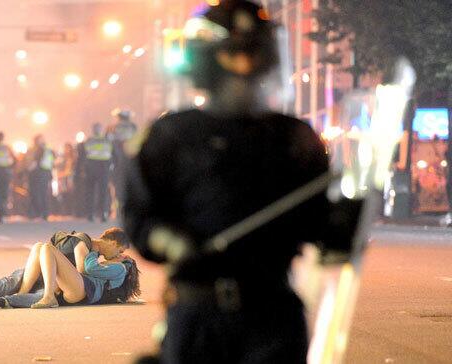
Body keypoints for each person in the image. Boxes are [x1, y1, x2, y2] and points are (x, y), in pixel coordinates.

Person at [123, 2, 332, 362]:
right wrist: (174, 242)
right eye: (232, 55)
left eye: (251, 53)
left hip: (273, 316)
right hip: (198, 315)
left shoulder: (293, 138)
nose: (243, 70)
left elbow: (318, 223)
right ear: (207, 61)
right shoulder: (171, 136)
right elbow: (141, 219)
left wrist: (344, 221)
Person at [0, 227, 131, 310]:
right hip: (49, 275)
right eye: (119, 250)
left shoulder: (94, 251)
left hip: (50, 276)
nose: (117, 255)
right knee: (10, 281)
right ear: (113, 242)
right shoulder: (85, 243)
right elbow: (82, 270)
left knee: (8, 284)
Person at [108, 109, 137, 210]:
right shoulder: (133, 127)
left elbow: (110, 144)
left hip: (117, 161)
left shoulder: (113, 127)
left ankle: (119, 207)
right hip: (130, 161)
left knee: (117, 184)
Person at [84, 123, 114, 222]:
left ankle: (91, 214)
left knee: (91, 192)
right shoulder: (107, 140)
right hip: (103, 168)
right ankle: (103, 214)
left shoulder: (89, 140)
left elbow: (83, 155)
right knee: (103, 192)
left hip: (92, 168)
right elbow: (113, 154)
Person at [28, 134, 55, 221]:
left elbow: (36, 162)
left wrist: (28, 170)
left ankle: (39, 213)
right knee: (44, 194)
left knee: (38, 194)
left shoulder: (40, 150)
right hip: (47, 173)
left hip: (40, 174)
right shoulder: (49, 150)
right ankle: (45, 213)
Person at [55, 142, 77, 216]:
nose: (66, 150)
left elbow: (72, 168)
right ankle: (65, 211)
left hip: (70, 178)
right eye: (65, 148)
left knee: (70, 194)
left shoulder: (73, 157)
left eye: (67, 148)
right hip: (63, 178)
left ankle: (70, 211)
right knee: (63, 194)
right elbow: (58, 166)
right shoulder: (62, 158)